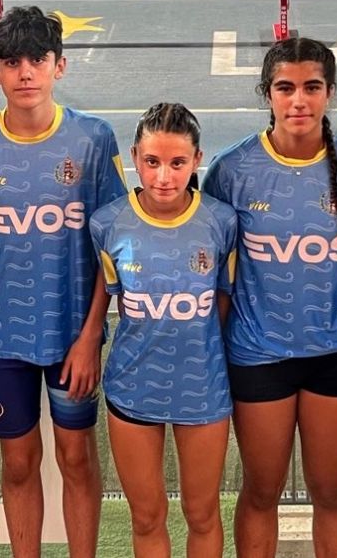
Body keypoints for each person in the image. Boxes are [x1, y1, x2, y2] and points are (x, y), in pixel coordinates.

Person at [202, 35, 337, 558]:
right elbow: (207, 260)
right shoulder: (232, 171)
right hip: (259, 355)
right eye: (285, 88)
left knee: (330, 492)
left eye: (312, 87)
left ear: (330, 92)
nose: (299, 101)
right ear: (268, 94)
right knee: (261, 492)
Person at [0, 5, 125, 558]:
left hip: (73, 336)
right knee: (18, 460)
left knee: (76, 457)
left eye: (37, 60)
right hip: (4, 338)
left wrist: (92, 336)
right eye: (11, 62)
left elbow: (111, 246)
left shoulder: (93, 140)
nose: (25, 72)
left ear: (60, 66)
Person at [87, 103, 240, 558]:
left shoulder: (221, 222)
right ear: (135, 156)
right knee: (147, 515)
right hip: (133, 388)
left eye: (177, 163)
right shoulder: (108, 223)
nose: (164, 177)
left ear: (198, 160)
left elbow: (224, 303)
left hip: (203, 389)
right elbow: (110, 291)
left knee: (202, 513)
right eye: (152, 162)